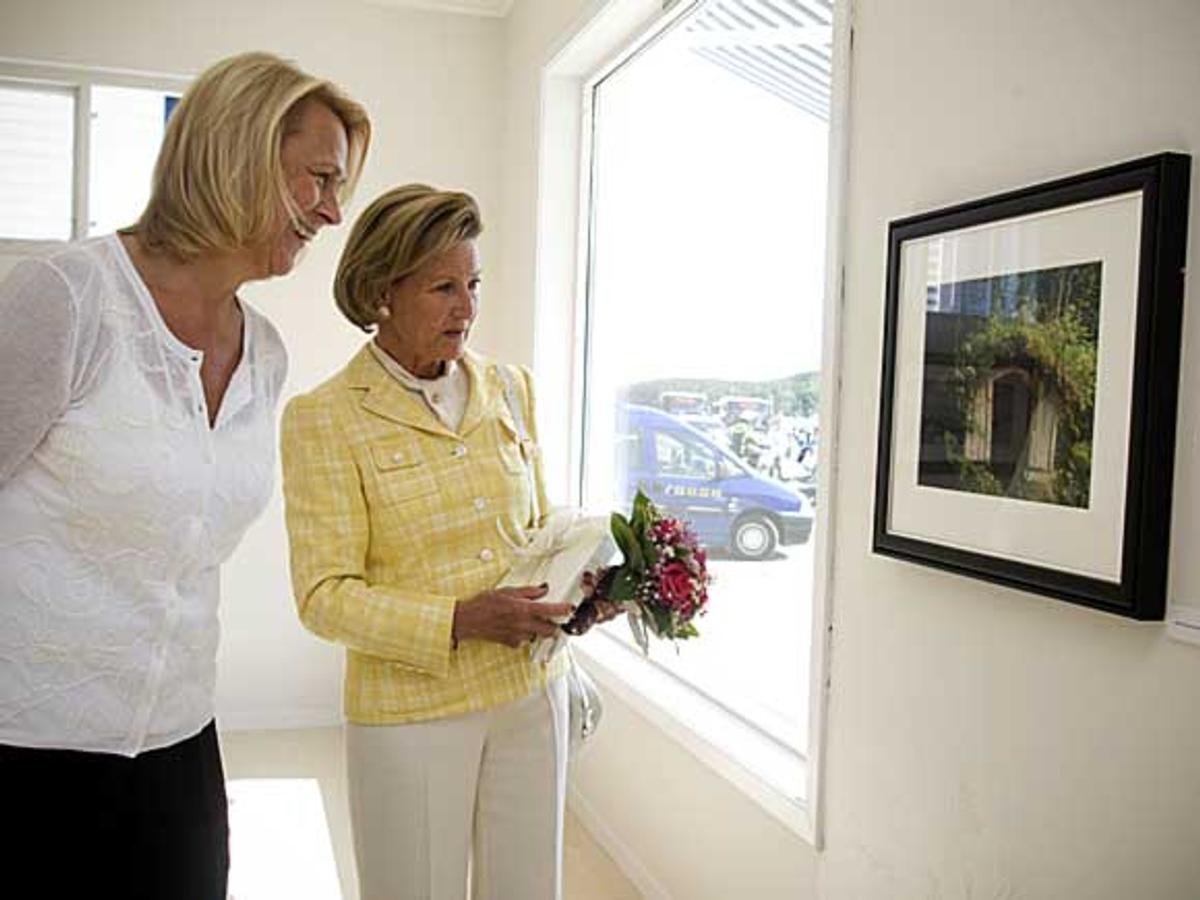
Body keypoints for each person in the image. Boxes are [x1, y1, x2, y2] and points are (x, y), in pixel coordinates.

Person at [0, 52, 370, 899]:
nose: (332, 210)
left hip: (178, 753)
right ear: (239, 150)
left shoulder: (265, 353)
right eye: (318, 178)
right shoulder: (68, 298)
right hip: (26, 751)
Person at [281, 183, 615, 900]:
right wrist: (462, 620)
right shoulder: (325, 418)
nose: (466, 308)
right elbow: (323, 597)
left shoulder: (511, 388)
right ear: (382, 293)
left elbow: (536, 528)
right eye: (442, 288)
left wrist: (587, 583)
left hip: (533, 692)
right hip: (411, 718)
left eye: (474, 285)